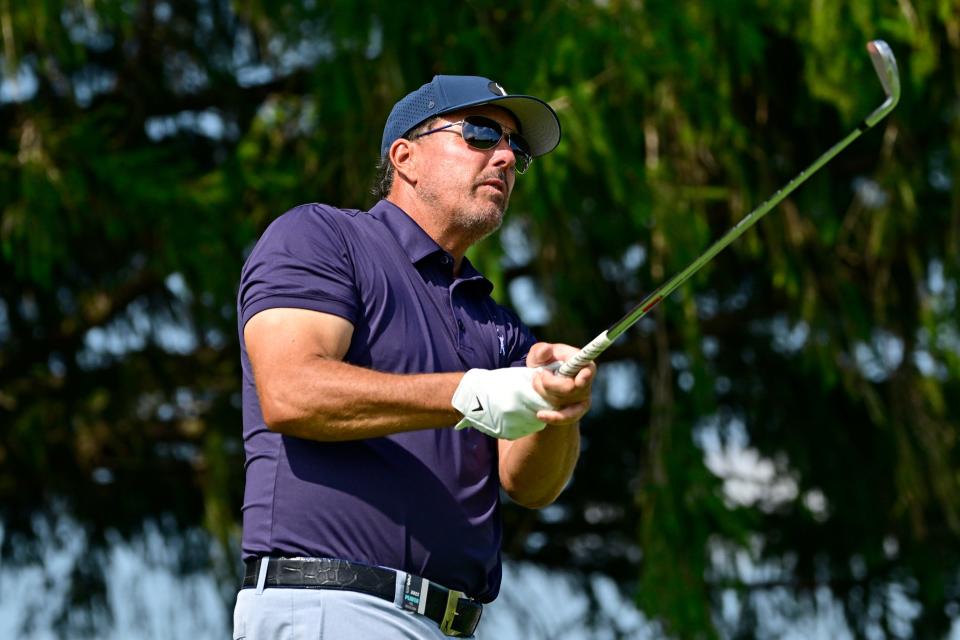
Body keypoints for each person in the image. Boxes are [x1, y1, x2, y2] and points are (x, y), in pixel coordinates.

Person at [233, 75, 597, 639]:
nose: (504, 156)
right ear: (405, 157)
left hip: (448, 625)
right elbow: (290, 390)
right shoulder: (322, 237)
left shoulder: (495, 322)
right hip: (335, 604)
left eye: (514, 149)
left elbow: (530, 485)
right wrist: (469, 392)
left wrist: (557, 403)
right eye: (480, 133)